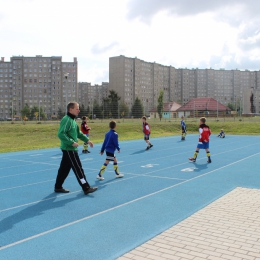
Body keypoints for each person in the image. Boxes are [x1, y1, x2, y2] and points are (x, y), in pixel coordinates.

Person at [54, 102, 98, 195]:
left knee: (64, 169)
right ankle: (86, 187)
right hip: (69, 149)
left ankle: (58, 187)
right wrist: (71, 142)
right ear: (71, 109)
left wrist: (87, 140)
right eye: (77, 108)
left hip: (69, 149)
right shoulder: (67, 120)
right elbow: (61, 133)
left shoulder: (73, 120)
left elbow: (78, 133)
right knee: (78, 168)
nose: (79, 110)